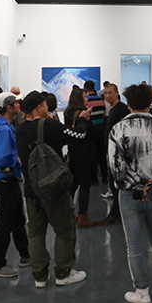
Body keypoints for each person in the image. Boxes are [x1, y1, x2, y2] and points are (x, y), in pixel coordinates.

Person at [109, 84, 152, 303]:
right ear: (150, 103)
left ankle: (142, 292)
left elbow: (116, 166)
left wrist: (137, 189)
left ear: (128, 104)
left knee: (135, 245)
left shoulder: (118, 129)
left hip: (129, 196)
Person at [16, 91, 90, 287]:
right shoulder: (49, 125)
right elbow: (79, 135)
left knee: (35, 232)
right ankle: (63, 272)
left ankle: (39, 276)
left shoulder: (20, 129)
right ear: (39, 108)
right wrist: (82, 119)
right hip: (53, 188)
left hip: (32, 189)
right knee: (65, 230)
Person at [0, 92, 30, 278]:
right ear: (9, 107)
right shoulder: (5, 129)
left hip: (7, 178)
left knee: (18, 218)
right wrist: (16, 161)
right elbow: (2, 157)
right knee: (6, 221)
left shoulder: (2, 125)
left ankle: (25, 254)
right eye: (16, 103)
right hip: (5, 179)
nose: (19, 106)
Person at [96, 83, 131, 226]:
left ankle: (117, 213)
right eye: (105, 93)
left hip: (118, 152)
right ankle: (116, 211)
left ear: (117, 93)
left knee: (116, 182)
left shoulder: (121, 109)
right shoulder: (112, 109)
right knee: (113, 182)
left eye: (110, 92)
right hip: (112, 150)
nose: (107, 95)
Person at [63, 88, 96, 228]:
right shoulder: (83, 114)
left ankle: (66, 212)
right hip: (84, 153)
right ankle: (83, 215)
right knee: (84, 185)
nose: (87, 99)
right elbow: (88, 133)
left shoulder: (67, 112)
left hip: (73, 152)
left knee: (73, 183)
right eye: (85, 97)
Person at [84, 80, 108, 184]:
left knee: (92, 155)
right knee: (102, 154)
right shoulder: (101, 99)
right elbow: (104, 114)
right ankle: (105, 177)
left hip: (91, 130)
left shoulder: (87, 101)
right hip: (101, 129)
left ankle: (94, 179)